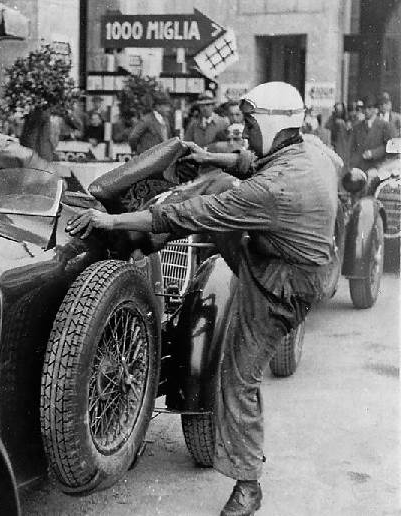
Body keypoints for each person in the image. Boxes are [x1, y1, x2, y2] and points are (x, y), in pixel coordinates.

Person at [67, 81, 337, 516]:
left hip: (280, 287)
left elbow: (192, 215)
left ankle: (248, 486)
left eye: (249, 124)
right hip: (281, 254)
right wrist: (210, 157)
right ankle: (138, 241)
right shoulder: (311, 151)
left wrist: (112, 222)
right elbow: (250, 163)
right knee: (214, 182)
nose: (243, 132)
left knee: (237, 379)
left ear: (270, 125)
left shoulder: (274, 189)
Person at [348, 94, 394, 171]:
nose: (366, 111)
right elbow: (351, 149)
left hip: (379, 169)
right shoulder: (357, 127)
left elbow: (392, 148)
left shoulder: (385, 126)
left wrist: (374, 153)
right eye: (364, 108)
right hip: (360, 169)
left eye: (369, 108)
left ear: (376, 109)